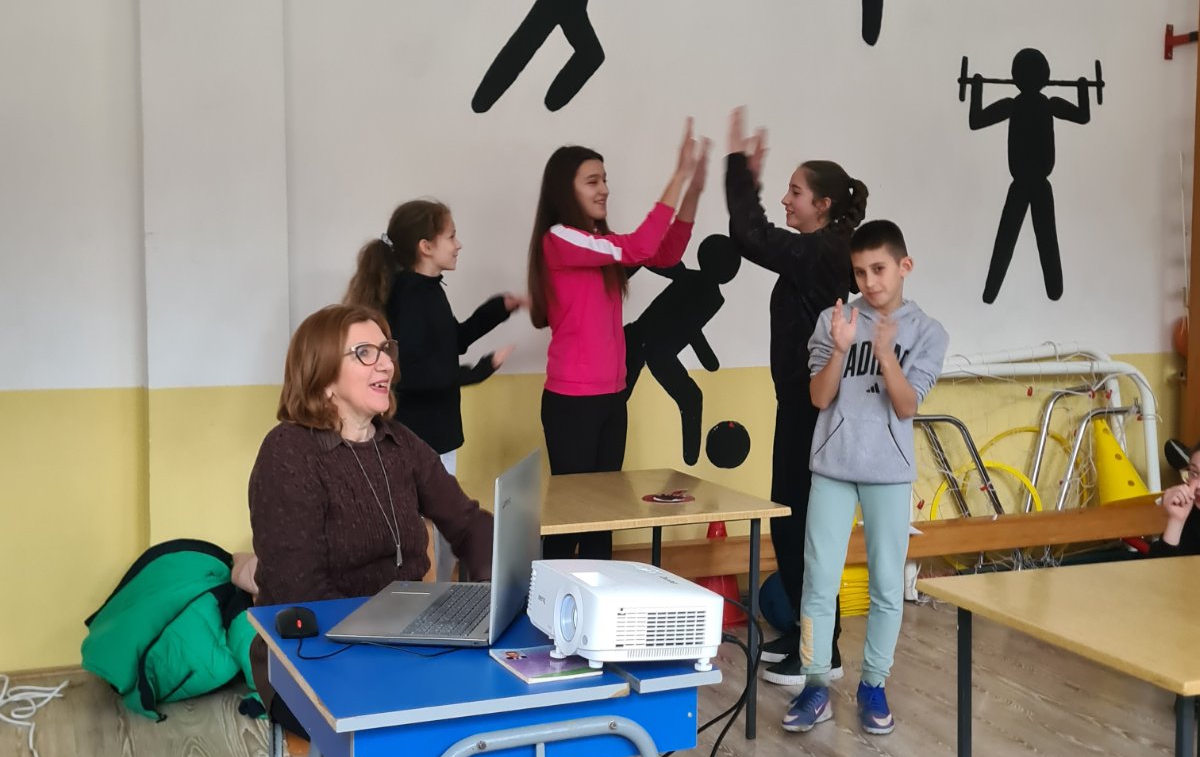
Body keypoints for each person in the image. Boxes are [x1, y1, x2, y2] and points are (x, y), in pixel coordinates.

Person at [247, 303, 582, 757]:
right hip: (311, 656)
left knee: (532, 717)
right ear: (323, 376)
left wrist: (498, 588)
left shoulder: (400, 444)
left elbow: (468, 521)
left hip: (406, 637)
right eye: (364, 353)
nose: (386, 365)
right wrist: (404, 628)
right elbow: (299, 593)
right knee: (459, 750)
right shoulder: (288, 453)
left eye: (386, 350)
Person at [783, 220, 948, 737]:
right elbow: (819, 397)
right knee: (818, 582)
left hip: (888, 474)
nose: (870, 282)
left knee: (886, 586)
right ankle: (815, 684)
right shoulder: (835, 320)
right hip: (833, 468)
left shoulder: (928, 332)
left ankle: (874, 684)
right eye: (860, 272)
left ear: (904, 266)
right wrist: (840, 347)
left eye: (879, 269)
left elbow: (906, 404)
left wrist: (884, 355)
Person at [724, 108, 866, 688]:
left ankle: (821, 651)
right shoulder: (817, 250)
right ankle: (811, 637)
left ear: (823, 205)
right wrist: (748, 181)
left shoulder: (824, 252)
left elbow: (749, 236)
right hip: (799, 407)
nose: (787, 200)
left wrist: (740, 173)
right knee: (791, 523)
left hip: (815, 411)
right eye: (784, 190)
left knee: (805, 528)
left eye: (795, 192)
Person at [528, 122, 706, 558]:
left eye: (604, 179)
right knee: (571, 521)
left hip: (612, 395)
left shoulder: (599, 245)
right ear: (566, 190)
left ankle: (596, 602)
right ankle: (547, 598)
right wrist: (678, 175)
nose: (604, 189)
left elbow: (664, 253)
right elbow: (640, 246)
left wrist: (693, 193)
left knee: (603, 518)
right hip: (572, 403)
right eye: (592, 181)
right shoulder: (559, 239)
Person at [345, 200, 525, 578]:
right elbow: (409, 373)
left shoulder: (427, 290)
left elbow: (451, 343)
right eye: (451, 236)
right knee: (428, 536)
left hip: (435, 436)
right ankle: (432, 601)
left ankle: (438, 597)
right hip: (419, 435)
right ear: (425, 246)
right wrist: (475, 373)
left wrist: (498, 309)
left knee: (442, 532)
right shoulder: (411, 296)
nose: (458, 245)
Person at [1152, 441, 1200, 556]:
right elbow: (1162, 565)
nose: (1198, 485)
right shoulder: (1190, 513)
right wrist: (1176, 521)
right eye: (1194, 473)